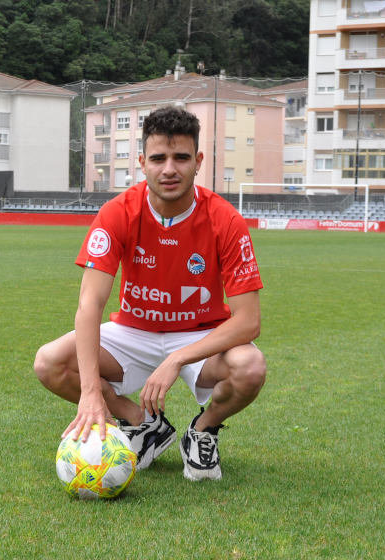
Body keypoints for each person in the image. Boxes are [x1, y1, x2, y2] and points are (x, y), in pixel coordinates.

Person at [34, 105, 266, 481]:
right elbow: (89, 305)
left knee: (250, 368)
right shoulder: (117, 212)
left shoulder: (226, 219)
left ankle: (202, 431)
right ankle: (143, 424)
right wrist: (91, 391)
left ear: (198, 161)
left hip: (200, 334)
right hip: (134, 332)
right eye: (158, 158)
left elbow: (249, 321)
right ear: (142, 162)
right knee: (49, 363)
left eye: (181, 158)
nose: (169, 169)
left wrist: (176, 360)